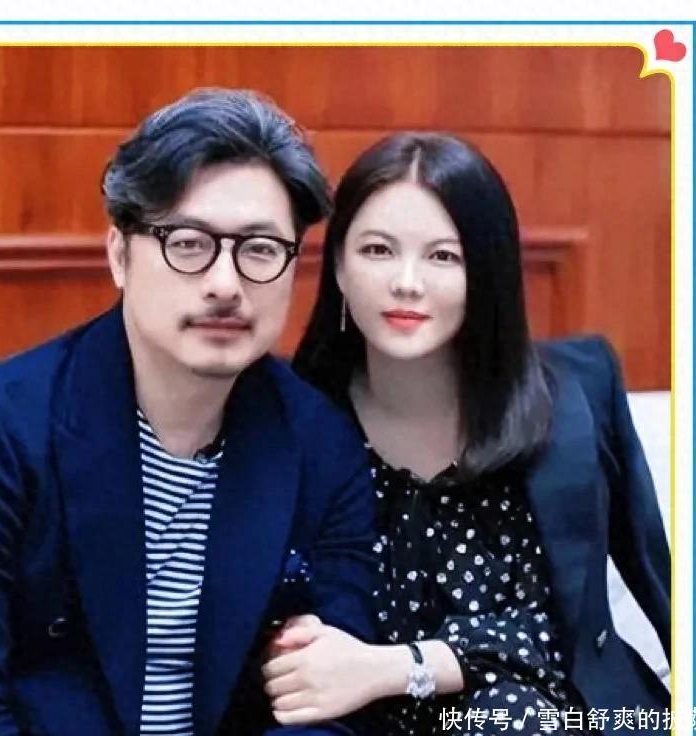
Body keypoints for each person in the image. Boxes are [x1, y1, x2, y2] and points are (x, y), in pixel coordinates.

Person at [0, 88, 377, 736]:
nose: (225, 284)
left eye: (260, 249)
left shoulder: (321, 445)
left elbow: (331, 707)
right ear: (119, 255)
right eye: (188, 243)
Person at [265, 132, 671, 735]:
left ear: (487, 272)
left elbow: (575, 616)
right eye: (377, 250)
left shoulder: (573, 393)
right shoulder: (291, 420)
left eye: (443, 257)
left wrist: (399, 667)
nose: (407, 281)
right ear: (340, 269)